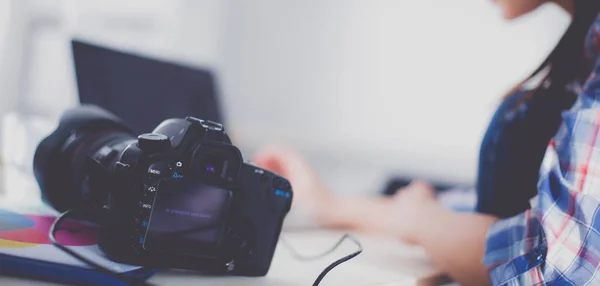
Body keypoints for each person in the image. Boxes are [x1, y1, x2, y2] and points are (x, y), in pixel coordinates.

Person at [253, 1, 600, 285]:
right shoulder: (584, 50)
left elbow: (558, 268)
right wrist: (325, 202)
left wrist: (421, 222)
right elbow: (495, 216)